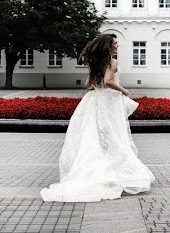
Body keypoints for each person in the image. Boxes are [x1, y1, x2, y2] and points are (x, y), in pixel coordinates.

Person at [40, 33, 155, 202]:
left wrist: (97, 82)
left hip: (95, 100)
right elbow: (108, 80)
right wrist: (124, 91)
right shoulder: (112, 62)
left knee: (95, 135)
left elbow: (88, 85)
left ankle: (97, 169)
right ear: (108, 46)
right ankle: (112, 170)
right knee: (113, 135)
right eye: (115, 43)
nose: (117, 45)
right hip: (109, 101)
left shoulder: (95, 63)